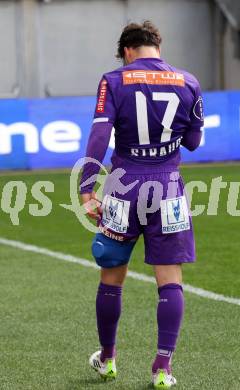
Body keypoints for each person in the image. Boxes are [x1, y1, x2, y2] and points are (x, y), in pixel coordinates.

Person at [80, 20, 204, 389]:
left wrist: (87, 189)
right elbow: (195, 141)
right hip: (168, 189)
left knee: (111, 275)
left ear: (127, 50)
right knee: (170, 280)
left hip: (123, 189)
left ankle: (108, 359)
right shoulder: (188, 81)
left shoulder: (114, 80)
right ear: (157, 47)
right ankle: (162, 368)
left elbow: (100, 133)